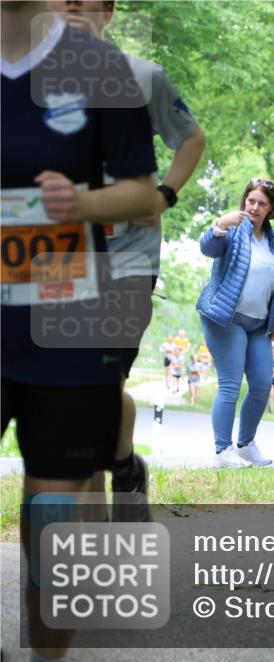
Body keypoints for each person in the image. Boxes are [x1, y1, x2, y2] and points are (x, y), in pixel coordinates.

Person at [2, 2, 157, 662]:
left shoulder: (101, 68)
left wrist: (83, 203)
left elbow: (143, 193)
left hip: (65, 320)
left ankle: (46, 661)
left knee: (54, 515)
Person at [56, 0, 207, 522]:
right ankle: (124, 467)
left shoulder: (144, 78)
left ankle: (89, 530)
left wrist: (164, 193)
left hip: (127, 258)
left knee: (95, 383)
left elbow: (191, 138)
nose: (72, 3)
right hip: (53, 259)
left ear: (109, 11)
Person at [198, 178, 274, 468]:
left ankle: (246, 444)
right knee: (230, 385)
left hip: (259, 323)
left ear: (271, 208)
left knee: (262, 385)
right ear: (244, 201)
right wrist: (220, 223)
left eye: (262, 203)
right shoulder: (233, 230)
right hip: (225, 318)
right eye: (251, 201)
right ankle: (223, 450)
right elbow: (208, 248)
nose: (255, 207)